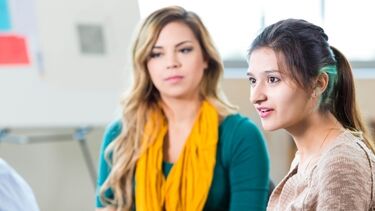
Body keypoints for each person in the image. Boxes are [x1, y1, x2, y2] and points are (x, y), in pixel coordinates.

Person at [95, 5, 270, 211]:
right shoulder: (120, 136)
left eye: (184, 50)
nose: (172, 62)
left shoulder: (241, 136)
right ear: (144, 64)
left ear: (206, 58)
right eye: (156, 54)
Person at [247, 18, 375, 210]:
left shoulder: (341, 163)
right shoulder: (307, 157)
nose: (255, 97)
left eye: (273, 79)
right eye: (253, 80)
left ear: (318, 83)